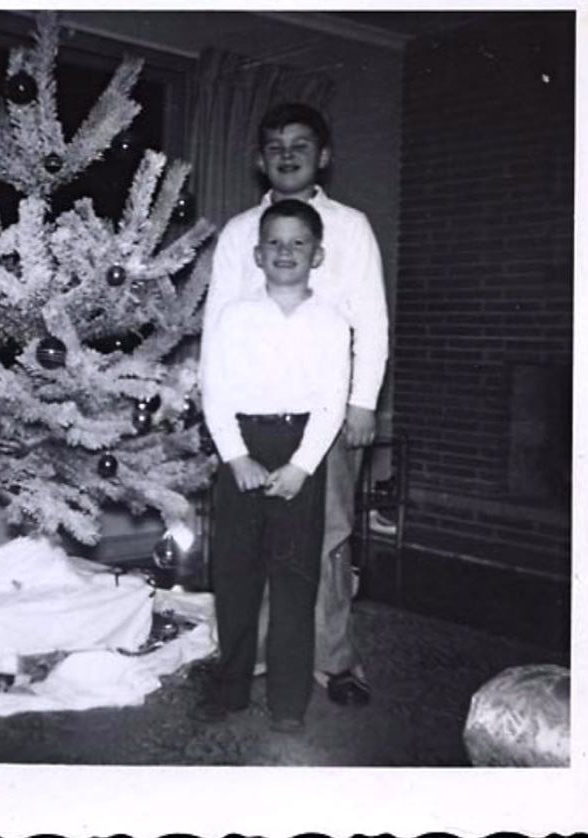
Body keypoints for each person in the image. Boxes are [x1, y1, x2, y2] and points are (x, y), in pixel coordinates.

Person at [202, 102, 389, 706]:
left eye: (300, 145)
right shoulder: (240, 233)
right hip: (254, 415)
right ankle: (253, 656)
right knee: (252, 541)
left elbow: (371, 320)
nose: (287, 155)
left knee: (326, 537)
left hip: (326, 415)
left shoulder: (351, 227)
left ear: (323, 157)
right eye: (275, 146)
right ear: (260, 160)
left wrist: (363, 404)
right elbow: (217, 327)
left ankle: (333, 661)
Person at [192, 199, 351, 732]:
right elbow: (215, 388)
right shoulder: (235, 317)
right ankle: (230, 688)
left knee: (295, 581)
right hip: (242, 446)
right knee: (235, 576)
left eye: (298, 242)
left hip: (302, 451)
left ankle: (288, 701)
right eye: (275, 243)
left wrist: (302, 466)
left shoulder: (332, 323)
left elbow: (332, 403)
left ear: (317, 255)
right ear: (258, 255)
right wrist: (236, 455)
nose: (286, 251)